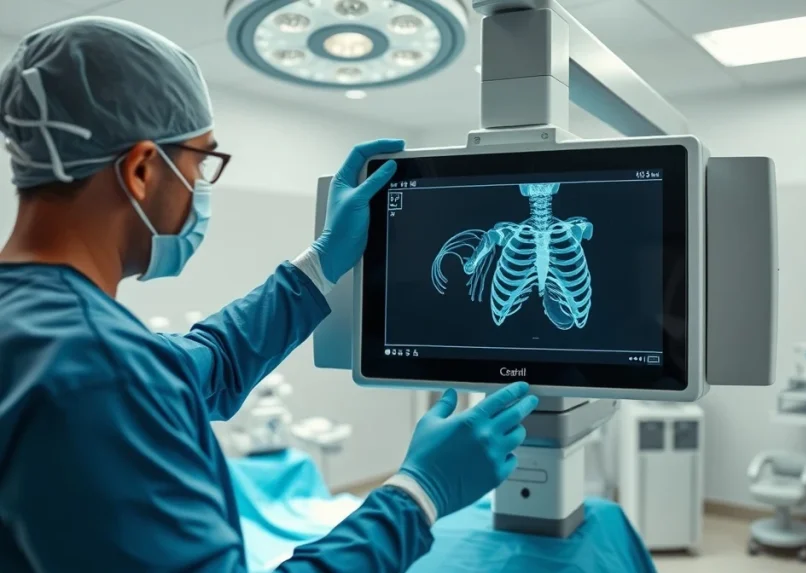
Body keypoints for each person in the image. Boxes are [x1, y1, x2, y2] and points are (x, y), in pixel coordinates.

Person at [0, 16, 538, 573]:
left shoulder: (44, 332)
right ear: (140, 170)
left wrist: (321, 264)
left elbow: (204, 365)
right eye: (200, 162)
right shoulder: (98, 369)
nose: (200, 187)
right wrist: (418, 495)